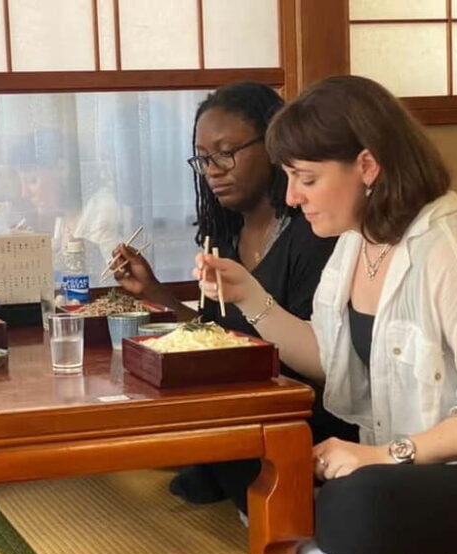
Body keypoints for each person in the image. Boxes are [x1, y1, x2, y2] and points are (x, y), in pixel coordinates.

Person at [196, 75, 457, 554]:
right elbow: (328, 356)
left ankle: (330, 548)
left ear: (367, 166)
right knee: (247, 436)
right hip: (414, 467)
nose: (292, 197)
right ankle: (335, 549)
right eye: (289, 177)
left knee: (361, 504)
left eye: (306, 179)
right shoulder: (357, 242)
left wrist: (381, 456)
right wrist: (247, 295)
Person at [110, 82, 346, 508]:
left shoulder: (313, 232)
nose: (213, 170)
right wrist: (154, 292)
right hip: (241, 406)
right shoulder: (224, 232)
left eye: (226, 152)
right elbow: (216, 335)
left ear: (273, 145)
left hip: (301, 415)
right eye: (203, 158)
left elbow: (320, 365)